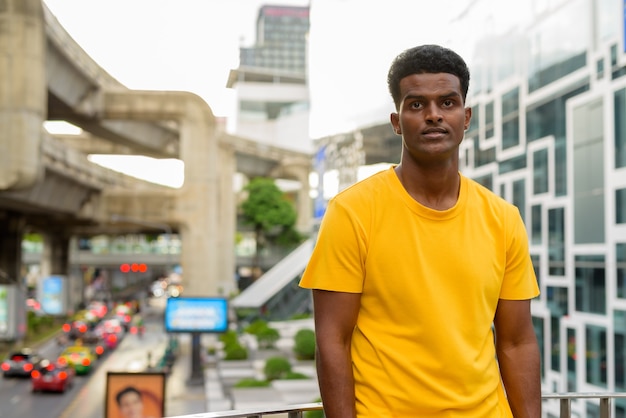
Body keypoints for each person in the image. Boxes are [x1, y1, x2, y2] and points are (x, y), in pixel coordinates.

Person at [299, 44, 541, 418]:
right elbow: (333, 341)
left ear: (466, 116)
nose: (433, 116)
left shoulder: (503, 218)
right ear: (397, 122)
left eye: (447, 103)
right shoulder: (352, 212)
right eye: (416, 105)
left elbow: (517, 341)